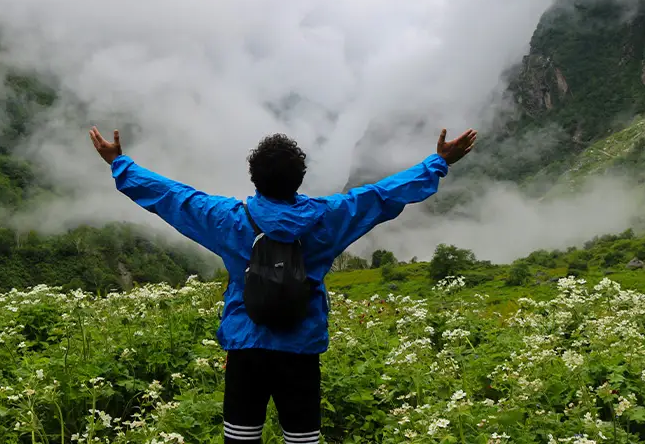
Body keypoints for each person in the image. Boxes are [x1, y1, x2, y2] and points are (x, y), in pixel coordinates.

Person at [88, 125, 477, 444]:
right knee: (302, 439)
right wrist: (438, 162)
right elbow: (380, 196)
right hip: (301, 348)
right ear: (300, 178)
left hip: (246, 346)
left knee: (241, 439)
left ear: (254, 177)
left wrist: (120, 163)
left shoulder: (228, 219)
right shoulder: (329, 218)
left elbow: (174, 198)